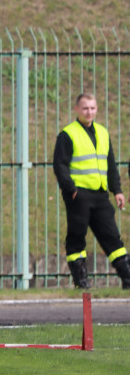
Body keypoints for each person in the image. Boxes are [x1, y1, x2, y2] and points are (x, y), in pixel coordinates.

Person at [52, 92, 130, 289]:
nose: (89, 112)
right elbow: (59, 165)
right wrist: (71, 190)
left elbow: (110, 164)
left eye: (93, 108)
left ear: (96, 109)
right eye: (85, 108)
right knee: (77, 237)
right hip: (79, 195)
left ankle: (127, 278)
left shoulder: (103, 132)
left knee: (112, 236)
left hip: (100, 195)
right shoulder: (67, 134)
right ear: (77, 109)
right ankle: (81, 282)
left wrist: (117, 190)